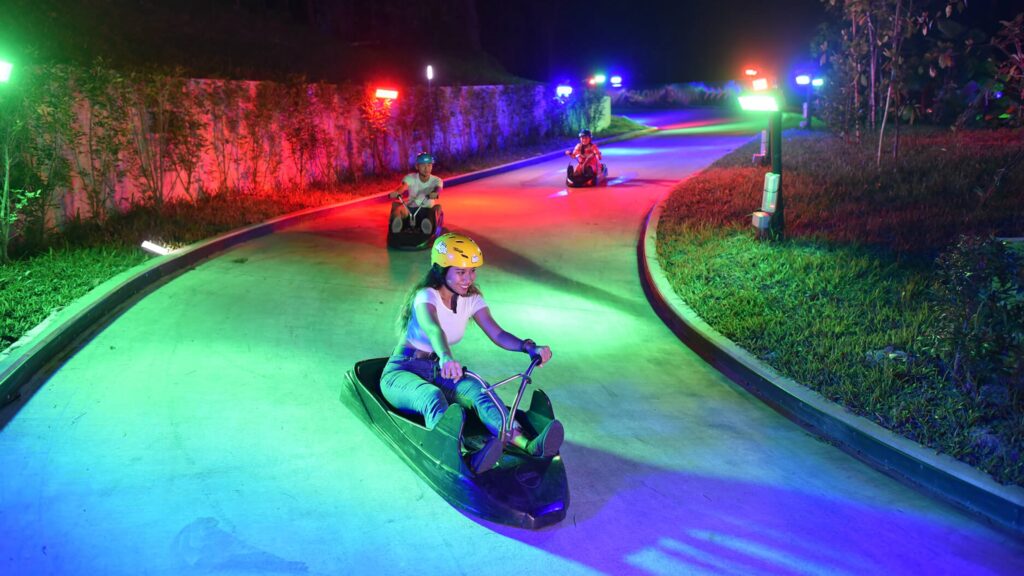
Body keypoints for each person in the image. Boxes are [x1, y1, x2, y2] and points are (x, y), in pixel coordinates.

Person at [380, 232, 563, 474]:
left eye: (472, 271)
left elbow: (497, 333)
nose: (469, 278)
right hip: (403, 370)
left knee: (480, 391)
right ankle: (461, 457)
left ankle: (527, 444)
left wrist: (529, 347)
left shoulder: (471, 299)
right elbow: (434, 330)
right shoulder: (426, 296)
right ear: (441, 270)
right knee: (432, 397)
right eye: (461, 272)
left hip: (437, 368)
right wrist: (446, 356)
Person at [389, 152, 442, 234]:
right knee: (398, 208)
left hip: (427, 208)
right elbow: (403, 187)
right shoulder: (411, 177)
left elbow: (438, 188)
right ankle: (396, 228)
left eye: (429, 165)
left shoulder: (436, 180)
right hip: (410, 208)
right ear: (417, 166)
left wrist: (434, 193)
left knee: (435, 210)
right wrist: (397, 192)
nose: (426, 168)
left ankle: (427, 228)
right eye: (423, 165)